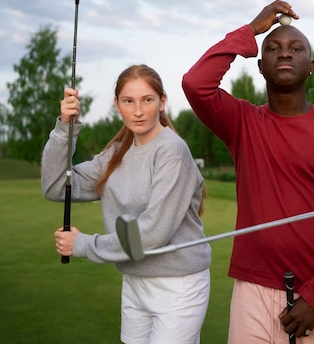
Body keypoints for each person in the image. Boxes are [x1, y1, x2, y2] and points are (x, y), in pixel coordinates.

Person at [182, 2, 314, 344]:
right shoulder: (242, 122)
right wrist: (251, 29)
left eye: (295, 48)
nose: (284, 53)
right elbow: (196, 84)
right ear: (260, 65)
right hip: (254, 291)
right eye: (273, 48)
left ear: (311, 66)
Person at [41, 64, 211, 344]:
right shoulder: (116, 153)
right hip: (134, 282)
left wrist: (83, 244)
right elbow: (56, 186)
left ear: (162, 102)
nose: (139, 110)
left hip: (179, 285)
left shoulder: (172, 151)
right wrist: (64, 129)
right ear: (117, 105)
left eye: (147, 100)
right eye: (128, 101)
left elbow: (151, 233)